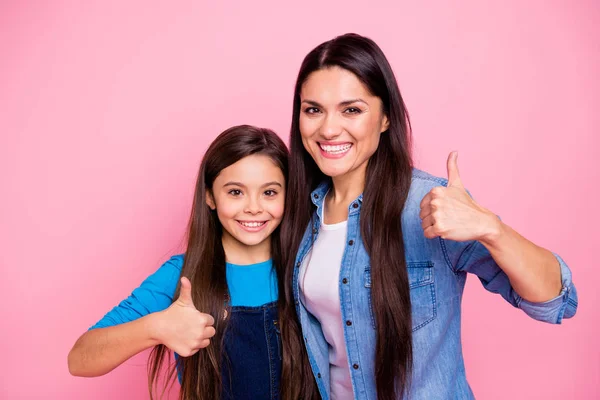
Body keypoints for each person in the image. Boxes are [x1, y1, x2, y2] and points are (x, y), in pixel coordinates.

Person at [280, 33, 578, 400]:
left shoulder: (430, 204)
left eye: (351, 110)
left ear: (386, 117)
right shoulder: (299, 215)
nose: (328, 128)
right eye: (313, 109)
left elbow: (554, 301)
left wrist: (491, 229)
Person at [68, 125, 309, 400]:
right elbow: (79, 359)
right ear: (209, 196)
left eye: (269, 192)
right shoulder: (182, 275)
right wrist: (156, 327)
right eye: (235, 192)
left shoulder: (307, 268)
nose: (253, 207)